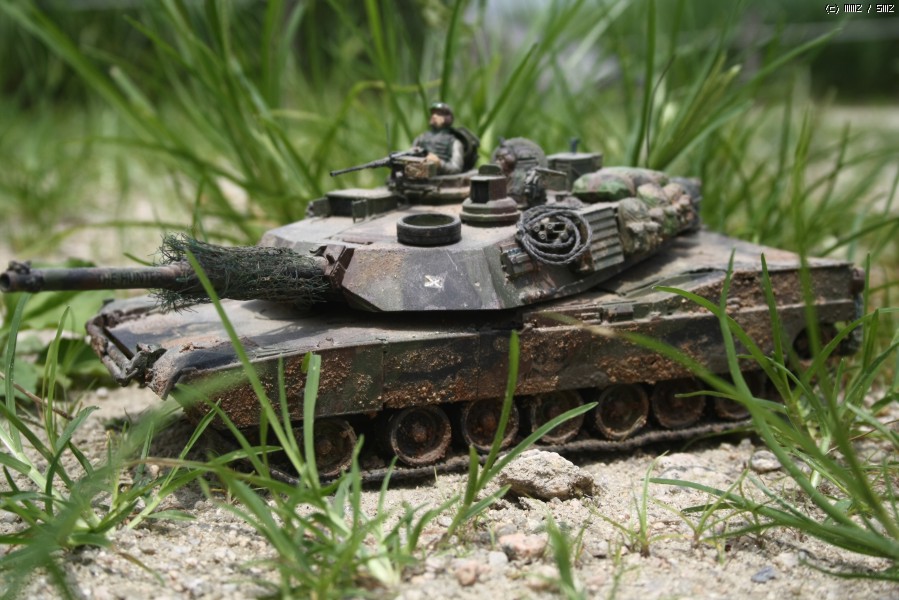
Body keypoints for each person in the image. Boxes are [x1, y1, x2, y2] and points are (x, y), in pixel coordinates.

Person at [413, 102, 465, 175]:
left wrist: (439, 163)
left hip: (442, 178)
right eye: (433, 113)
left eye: (439, 114)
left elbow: (456, 168)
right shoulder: (421, 138)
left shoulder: (454, 142)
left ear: (447, 118)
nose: (434, 116)